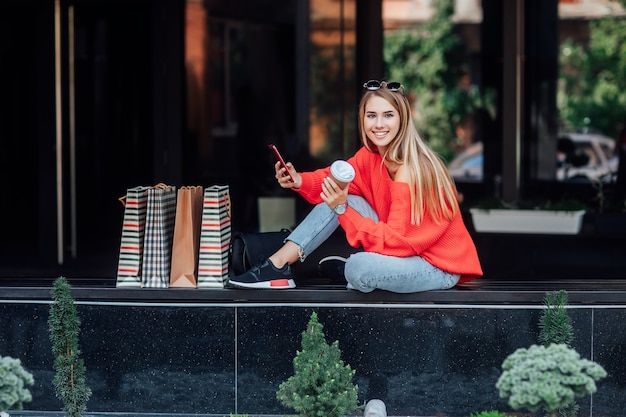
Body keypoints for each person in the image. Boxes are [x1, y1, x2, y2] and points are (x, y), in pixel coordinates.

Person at [228, 80, 483, 292]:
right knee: (341, 197)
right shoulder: (371, 156)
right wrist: (298, 180)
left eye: (388, 115)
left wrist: (343, 211)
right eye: (371, 115)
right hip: (401, 251)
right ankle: (277, 265)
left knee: (358, 267)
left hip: (436, 265)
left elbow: (397, 243)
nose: (379, 124)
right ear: (363, 119)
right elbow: (332, 179)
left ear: (402, 120)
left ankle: (348, 270)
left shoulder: (411, 169)